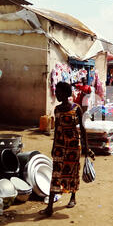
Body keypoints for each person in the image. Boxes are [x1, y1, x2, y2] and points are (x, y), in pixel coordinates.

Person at [39, 82, 93, 217]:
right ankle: (50, 206)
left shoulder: (77, 108)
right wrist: (53, 147)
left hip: (74, 146)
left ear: (65, 93)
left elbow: (83, 129)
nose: (56, 94)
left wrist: (86, 147)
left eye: (58, 92)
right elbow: (56, 129)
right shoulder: (57, 109)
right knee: (55, 174)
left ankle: (73, 197)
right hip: (60, 146)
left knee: (73, 172)